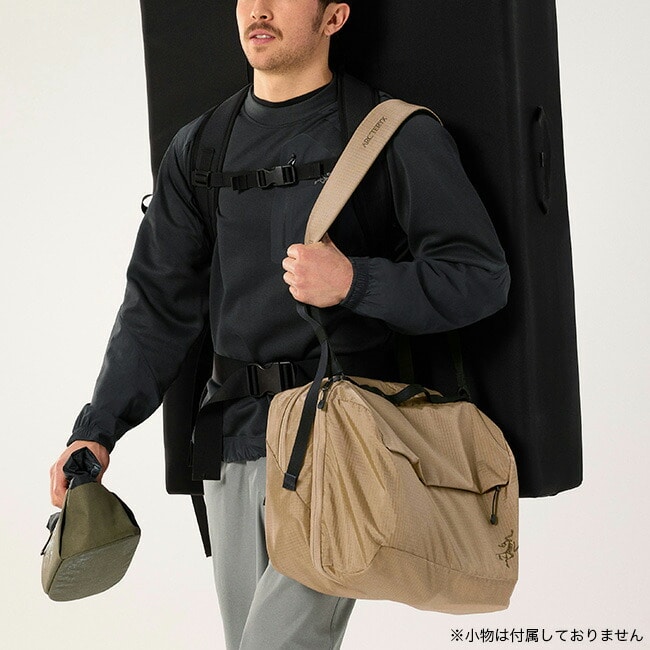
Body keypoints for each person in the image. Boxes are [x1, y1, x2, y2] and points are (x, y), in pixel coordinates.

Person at [50, 1, 511, 648]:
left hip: (341, 443)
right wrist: (97, 430)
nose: (259, 10)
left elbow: (480, 277)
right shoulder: (200, 148)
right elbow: (155, 307)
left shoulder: (392, 134)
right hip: (228, 441)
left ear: (334, 17)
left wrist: (355, 281)